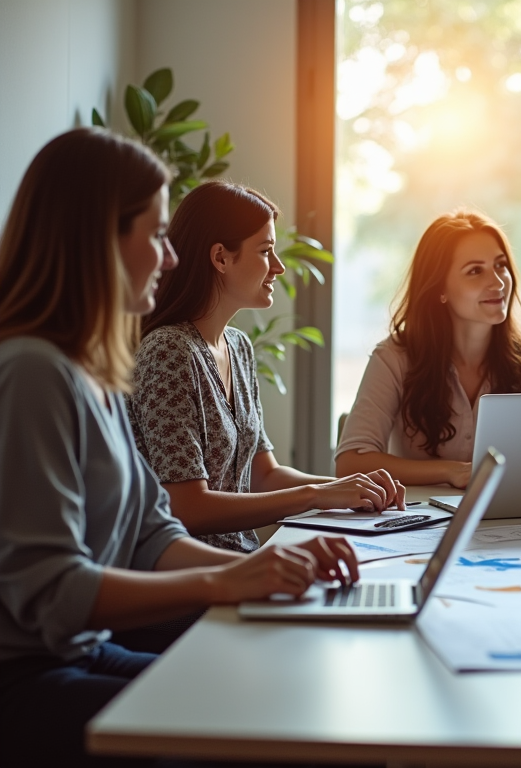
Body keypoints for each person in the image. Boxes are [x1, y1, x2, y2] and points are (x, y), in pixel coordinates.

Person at [0, 129, 361, 767]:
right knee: (257, 722)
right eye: (156, 236)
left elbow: (152, 534)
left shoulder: (95, 370)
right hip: (29, 674)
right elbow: (53, 590)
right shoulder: (33, 372)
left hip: (84, 648)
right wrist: (225, 580)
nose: (170, 259)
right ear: (98, 241)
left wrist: (252, 575)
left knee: (286, 691)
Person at [128, 181, 403, 556]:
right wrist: (317, 495)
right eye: (266, 251)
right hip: (191, 580)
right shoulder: (168, 351)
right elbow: (186, 506)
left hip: (242, 563)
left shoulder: (238, 347)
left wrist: (357, 488)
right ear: (221, 258)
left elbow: (265, 475)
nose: (279, 267)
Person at [335, 209, 521, 488]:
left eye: (500, 265)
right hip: (418, 523)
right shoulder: (394, 358)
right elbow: (350, 464)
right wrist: (450, 471)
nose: (498, 282)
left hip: (515, 520)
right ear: (439, 288)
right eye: (475, 271)